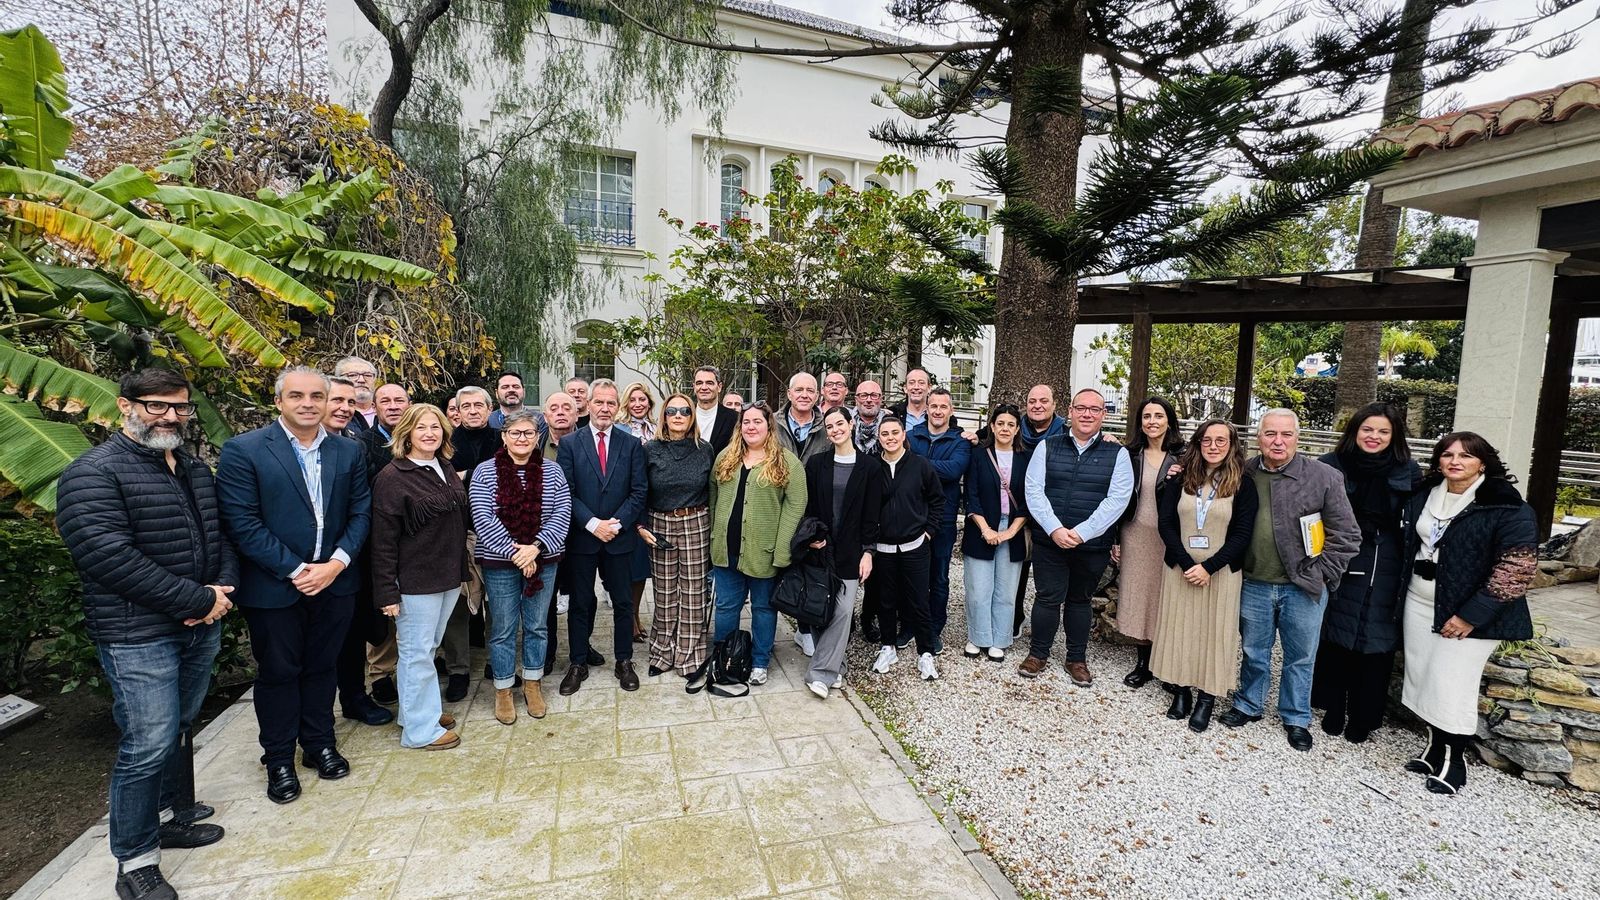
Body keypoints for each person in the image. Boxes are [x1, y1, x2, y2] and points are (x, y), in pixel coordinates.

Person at [56, 369, 236, 900]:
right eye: (156, 406)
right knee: (147, 742)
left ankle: (170, 817)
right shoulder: (94, 473)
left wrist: (220, 592)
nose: (169, 416)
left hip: (199, 624)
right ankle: (135, 862)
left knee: (178, 726)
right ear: (125, 406)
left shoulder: (193, 469)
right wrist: (198, 600)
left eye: (179, 407)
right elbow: (107, 557)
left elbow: (220, 536)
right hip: (137, 634)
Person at [217, 367, 371, 804]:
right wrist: (298, 569)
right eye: (297, 395)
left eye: (317, 396)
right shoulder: (244, 450)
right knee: (279, 672)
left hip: (335, 582)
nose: (308, 403)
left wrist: (336, 564)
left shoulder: (348, 450)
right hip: (275, 587)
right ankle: (279, 758)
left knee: (323, 667)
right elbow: (242, 522)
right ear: (279, 401)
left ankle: (319, 743)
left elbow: (361, 512)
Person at [1399, 433, 1536, 795]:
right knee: (1424, 678)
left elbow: (1516, 570)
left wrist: (1470, 616)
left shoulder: (1506, 505)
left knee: (1451, 684)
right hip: (1419, 602)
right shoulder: (1426, 495)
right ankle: (1433, 749)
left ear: (1483, 462)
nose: (1455, 461)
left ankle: (1454, 762)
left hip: (1467, 615)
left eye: (1465, 456)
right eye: (1448, 455)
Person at [1218, 409, 1360, 752]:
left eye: (1286, 434)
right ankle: (1249, 704)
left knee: (1300, 656)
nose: (1278, 441)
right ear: (1259, 438)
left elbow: (1346, 535)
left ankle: (1296, 717)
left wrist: (1322, 573)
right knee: (1254, 650)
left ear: (1298, 437)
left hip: (1303, 585)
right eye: (1270, 434)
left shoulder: (1323, 477)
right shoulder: (1243, 473)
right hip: (1254, 581)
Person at [1312, 403, 1422, 744]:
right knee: (1336, 630)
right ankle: (1333, 705)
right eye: (1368, 429)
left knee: (1376, 636)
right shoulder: (1331, 465)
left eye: (1383, 431)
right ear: (1355, 431)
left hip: (1386, 560)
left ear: (1394, 436)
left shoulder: (1408, 471)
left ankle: (1365, 715)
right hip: (1339, 553)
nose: (1374, 436)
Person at [370, 404, 471, 750]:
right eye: (421, 427)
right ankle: (420, 731)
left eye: (435, 427)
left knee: (426, 649)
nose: (429, 433)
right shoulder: (392, 477)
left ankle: (417, 713)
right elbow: (382, 541)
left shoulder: (444, 467)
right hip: (415, 581)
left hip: (447, 576)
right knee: (416, 653)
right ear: (407, 433)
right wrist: (387, 591)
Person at [1018, 388, 1131, 686]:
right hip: (1050, 540)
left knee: (1080, 600)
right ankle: (1038, 654)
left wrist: (1082, 533)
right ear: (1070, 411)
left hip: (1091, 545)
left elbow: (1117, 500)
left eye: (1094, 409)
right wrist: (1054, 528)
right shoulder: (1048, 446)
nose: (1087, 414)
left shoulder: (1117, 454)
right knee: (1047, 597)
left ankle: (1076, 659)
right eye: (1081, 408)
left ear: (1103, 414)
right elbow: (1034, 490)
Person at [1152, 419, 1258, 733]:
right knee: (1180, 630)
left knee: (1215, 633)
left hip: (1220, 573)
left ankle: (1206, 698)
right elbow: (1165, 523)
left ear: (1232, 445)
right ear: (1197, 443)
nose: (1213, 446)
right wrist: (1187, 564)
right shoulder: (1181, 478)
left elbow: (1242, 534)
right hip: (1180, 568)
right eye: (1207, 440)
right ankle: (1181, 690)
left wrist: (1208, 567)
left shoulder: (1243, 483)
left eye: (1220, 440)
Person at [470, 409, 572, 724]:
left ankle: (532, 682)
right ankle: (503, 688)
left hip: (543, 558)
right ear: (504, 437)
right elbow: (483, 517)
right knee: (502, 627)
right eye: (515, 433)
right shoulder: (485, 471)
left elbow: (562, 511)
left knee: (537, 625)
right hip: (500, 562)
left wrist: (535, 548)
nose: (522, 438)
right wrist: (518, 554)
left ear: (537, 437)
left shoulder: (553, 471)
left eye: (528, 433)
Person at [557, 378, 649, 694]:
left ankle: (624, 661)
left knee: (623, 602)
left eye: (611, 403)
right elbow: (566, 492)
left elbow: (639, 491)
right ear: (589, 404)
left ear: (617, 406)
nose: (605, 408)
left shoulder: (631, 444)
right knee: (580, 602)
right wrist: (593, 523)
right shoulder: (570, 444)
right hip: (583, 538)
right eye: (599, 402)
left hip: (619, 539)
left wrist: (616, 524)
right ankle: (578, 662)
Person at [709, 402, 807, 685]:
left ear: (769, 426)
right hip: (726, 550)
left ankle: (760, 660)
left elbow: (795, 506)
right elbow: (713, 495)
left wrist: (782, 548)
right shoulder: (726, 457)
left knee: (763, 607)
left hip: (764, 551)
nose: (751, 427)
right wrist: (714, 535)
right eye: (746, 422)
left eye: (757, 422)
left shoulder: (786, 462)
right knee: (726, 606)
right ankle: (724, 656)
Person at [802, 406, 882, 697]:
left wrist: (868, 552)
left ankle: (820, 674)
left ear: (851, 425)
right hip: (820, 548)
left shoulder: (870, 467)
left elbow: (872, 514)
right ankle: (836, 666)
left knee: (843, 610)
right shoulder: (816, 464)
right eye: (830, 426)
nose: (835, 430)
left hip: (852, 551)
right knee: (818, 608)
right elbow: (808, 506)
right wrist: (811, 537)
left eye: (840, 424)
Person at [637, 394, 717, 679]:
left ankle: (690, 655)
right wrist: (641, 525)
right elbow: (640, 489)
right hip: (660, 522)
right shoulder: (650, 449)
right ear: (664, 416)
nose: (678, 416)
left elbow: (713, 490)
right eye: (672, 411)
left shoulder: (705, 449)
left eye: (685, 411)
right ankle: (662, 652)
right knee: (665, 591)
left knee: (694, 592)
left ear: (692, 416)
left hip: (696, 521)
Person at [1112, 396, 1185, 688]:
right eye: (1146, 416)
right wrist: (1115, 538)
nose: (1152, 422)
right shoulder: (1130, 454)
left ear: (1169, 420)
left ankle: (1166, 662)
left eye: (1158, 416)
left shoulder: (1184, 455)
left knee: (1168, 597)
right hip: (1135, 534)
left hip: (1171, 537)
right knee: (1141, 596)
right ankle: (1144, 663)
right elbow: (1117, 498)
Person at [869, 416, 943, 680]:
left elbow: (937, 500)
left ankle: (926, 652)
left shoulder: (920, 465)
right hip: (883, 547)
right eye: (885, 434)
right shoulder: (872, 467)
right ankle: (888, 646)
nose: (890, 437)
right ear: (879, 438)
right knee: (886, 600)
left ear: (903, 435)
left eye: (895, 432)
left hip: (915, 545)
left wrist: (928, 532)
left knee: (919, 600)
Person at [961, 404, 1029, 661]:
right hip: (981, 527)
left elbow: (1028, 500)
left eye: (1011, 424)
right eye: (1000, 423)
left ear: (1017, 429)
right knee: (978, 589)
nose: (1005, 429)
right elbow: (971, 495)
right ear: (992, 426)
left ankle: (1000, 638)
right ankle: (978, 637)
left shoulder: (1025, 458)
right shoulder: (979, 455)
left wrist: (1011, 531)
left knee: (1006, 591)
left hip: (1013, 529)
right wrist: (986, 529)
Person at [907, 387, 970, 654]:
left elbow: (954, 470)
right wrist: (930, 465)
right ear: (926, 408)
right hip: (912, 516)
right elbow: (902, 465)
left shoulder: (960, 441)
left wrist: (918, 463)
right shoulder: (912, 436)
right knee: (911, 575)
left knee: (939, 577)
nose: (938, 411)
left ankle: (933, 629)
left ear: (951, 410)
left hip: (943, 518)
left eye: (943, 406)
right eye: (933, 406)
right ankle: (910, 624)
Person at [449, 385, 500, 700]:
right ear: (457, 411)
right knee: (458, 604)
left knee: (498, 601)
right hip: (457, 531)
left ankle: (498, 661)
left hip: (497, 531)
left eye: (478, 405)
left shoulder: (502, 438)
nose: (472, 410)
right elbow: (442, 479)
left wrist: (466, 475)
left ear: (489, 408)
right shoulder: (445, 441)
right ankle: (458, 669)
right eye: (465, 406)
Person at [361, 382, 410, 706]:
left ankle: (410, 671)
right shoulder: (363, 444)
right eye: (385, 401)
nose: (393, 406)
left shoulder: (418, 439)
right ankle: (380, 674)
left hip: (416, 541)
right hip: (378, 538)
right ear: (374, 407)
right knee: (382, 609)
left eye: (399, 400)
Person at [621, 381, 659, 643]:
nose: (637, 404)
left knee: (640, 566)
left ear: (649, 402)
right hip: (628, 502)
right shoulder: (619, 428)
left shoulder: (656, 429)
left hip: (651, 502)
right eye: (633, 399)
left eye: (642, 399)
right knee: (627, 567)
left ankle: (635, 615)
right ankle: (628, 618)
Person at [776, 371, 829, 463]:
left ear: (816, 396)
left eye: (810, 391)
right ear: (789, 394)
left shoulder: (827, 427)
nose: (804, 395)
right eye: (799, 390)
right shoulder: (771, 423)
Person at [691, 365, 740, 453]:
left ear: (719, 387)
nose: (704, 387)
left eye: (709, 383)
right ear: (694, 387)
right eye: (699, 383)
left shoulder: (734, 418)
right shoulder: (685, 414)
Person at [333, 355, 379, 436]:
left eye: (367, 375)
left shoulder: (386, 409)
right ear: (339, 380)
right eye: (352, 375)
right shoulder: (334, 413)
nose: (361, 380)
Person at [851, 379, 887, 456]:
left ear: (881, 399)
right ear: (856, 400)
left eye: (874, 395)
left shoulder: (890, 423)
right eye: (864, 395)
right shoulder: (846, 424)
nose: (869, 400)